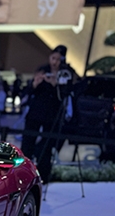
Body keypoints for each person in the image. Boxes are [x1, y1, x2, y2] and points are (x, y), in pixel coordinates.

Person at [22, 45, 77, 181]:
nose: (55, 62)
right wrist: (35, 83)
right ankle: (23, 173)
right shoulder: (42, 70)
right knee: (28, 143)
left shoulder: (66, 73)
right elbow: (29, 92)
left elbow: (66, 94)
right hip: (36, 111)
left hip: (52, 114)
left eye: (58, 59)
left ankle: (43, 175)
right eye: (53, 58)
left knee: (46, 146)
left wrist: (55, 84)